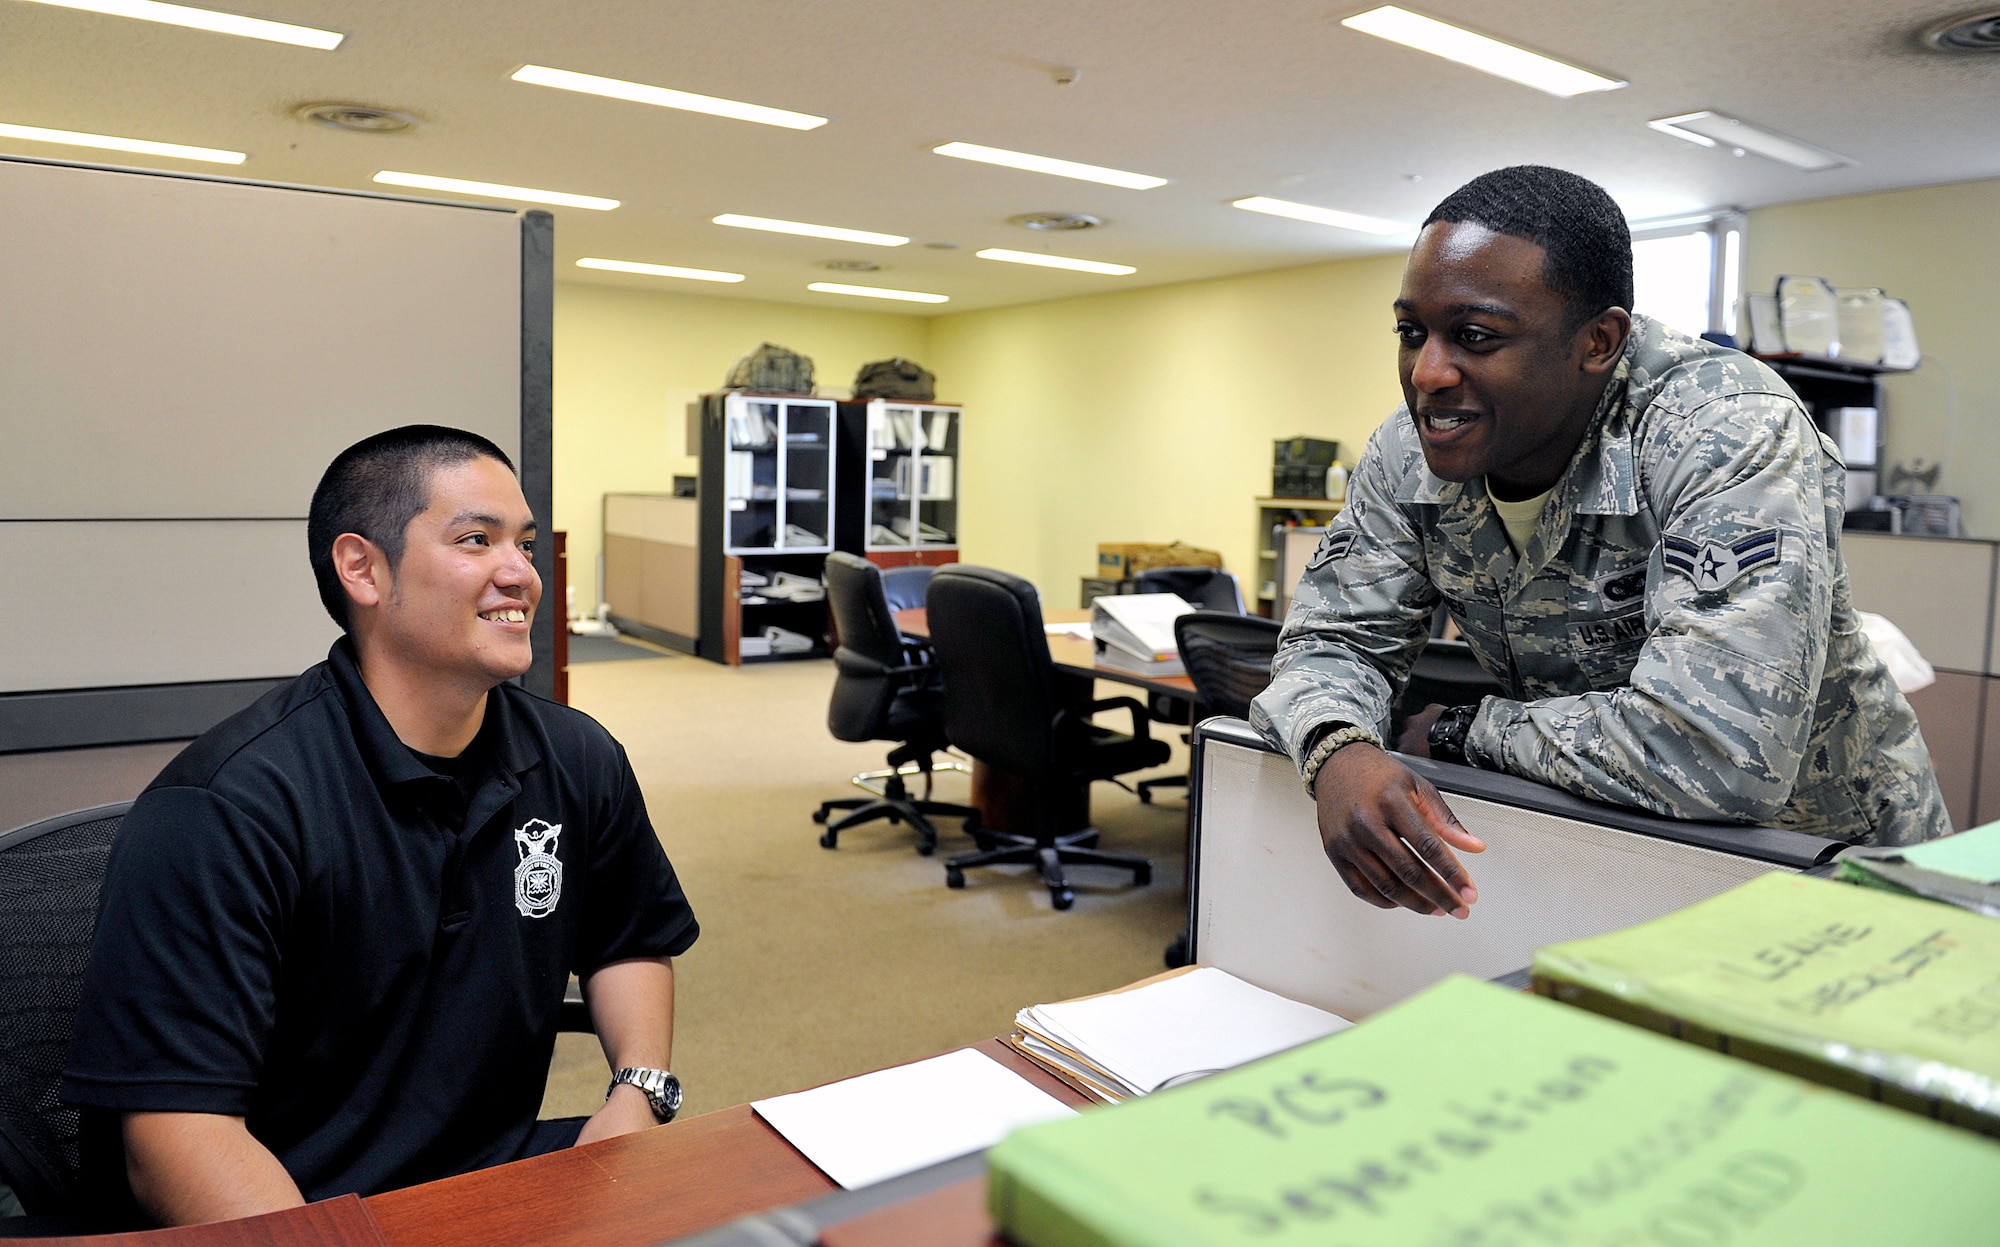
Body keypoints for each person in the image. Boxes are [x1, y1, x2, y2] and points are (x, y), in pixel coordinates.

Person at [1251, 165, 1949, 922]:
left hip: (1823, 869)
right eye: (1412, 331)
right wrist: (1336, 749)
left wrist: (1463, 728)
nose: (1427, 372)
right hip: (1601, 853)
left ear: (1598, 342)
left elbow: (1718, 752)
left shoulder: (1722, 430)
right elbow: (1326, 643)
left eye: (1475, 336)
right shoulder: (1407, 453)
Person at [62, 426, 699, 1226]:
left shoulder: (576, 756)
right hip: (297, 1206)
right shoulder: (224, 809)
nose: (522, 574)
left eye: (526, 544)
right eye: (478, 539)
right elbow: (175, 1137)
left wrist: (637, 1091)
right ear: (362, 568)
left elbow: (629, 935)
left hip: (484, 1184)